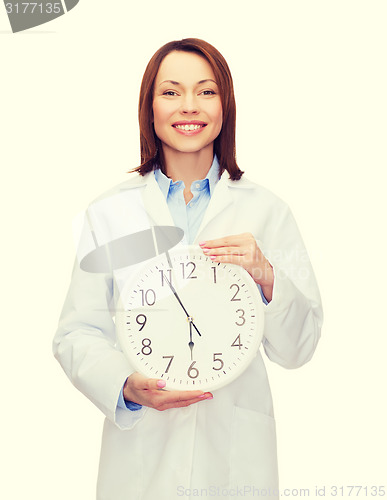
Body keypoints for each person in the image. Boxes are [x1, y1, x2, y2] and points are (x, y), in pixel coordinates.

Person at [53, 38, 323, 500]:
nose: (189, 106)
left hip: (235, 454)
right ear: (150, 107)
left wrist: (267, 276)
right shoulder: (110, 213)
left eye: (207, 91)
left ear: (225, 106)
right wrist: (127, 386)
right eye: (172, 92)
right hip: (141, 461)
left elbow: (300, 347)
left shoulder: (266, 211)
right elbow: (76, 333)